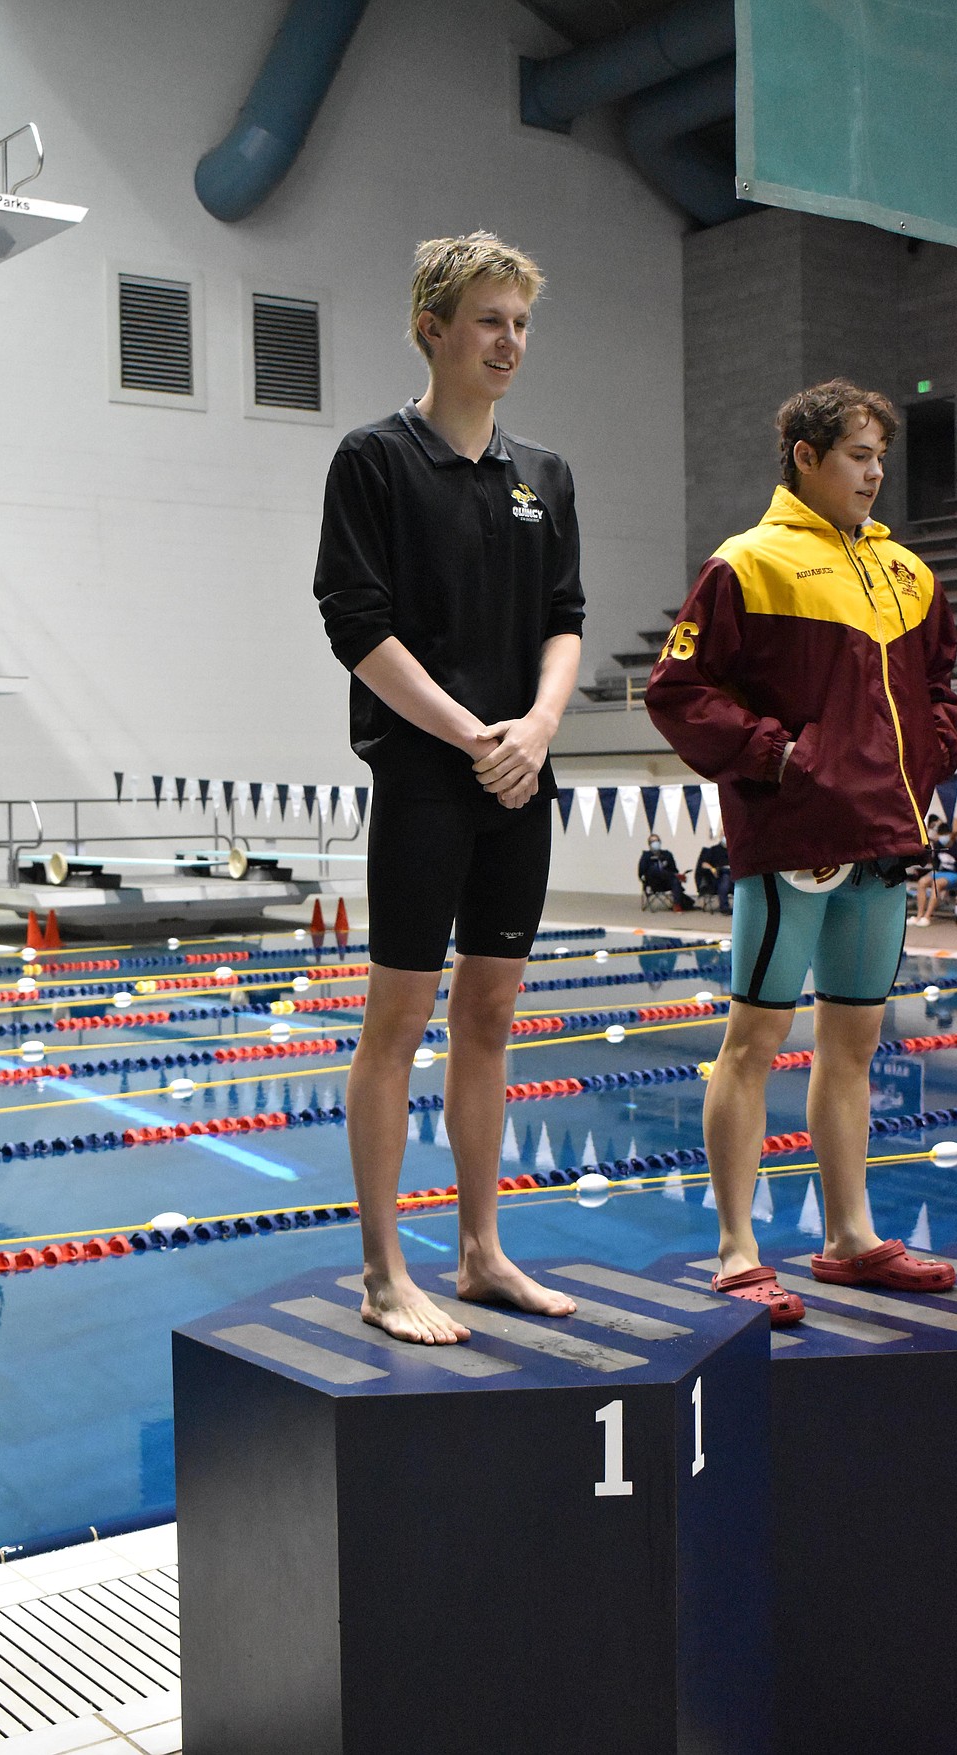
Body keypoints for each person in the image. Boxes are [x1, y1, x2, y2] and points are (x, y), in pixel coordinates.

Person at [645, 378, 957, 1324]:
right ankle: (739, 1247)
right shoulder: (746, 565)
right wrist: (779, 758)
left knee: (856, 1044)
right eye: (859, 457)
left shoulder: (909, 573)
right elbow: (678, 689)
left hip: (881, 842)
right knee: (752, 1041)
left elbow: (941, 686)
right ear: (807, 458)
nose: (875, 475)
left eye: (881, 459)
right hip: (792, 842)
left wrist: (936, 750)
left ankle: (849, 1236)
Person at [313, 231, 584, 1345]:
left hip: (522, 773)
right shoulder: (374, 461)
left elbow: (566, 620)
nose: (509, 341)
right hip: (429, 773)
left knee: (492, 1014)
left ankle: (481, 1254)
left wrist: (538, 727)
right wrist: (478, 733)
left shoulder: (545, 476)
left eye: (521, 322)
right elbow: (356, 626)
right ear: (432, 328)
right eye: (488, 319)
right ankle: (384, 1272)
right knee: (400, 1018)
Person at [912, 819, 957, 927]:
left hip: (954, 874)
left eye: (945, 834)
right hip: (940, 872)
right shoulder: (938, 845)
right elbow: (935, 862)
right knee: (922, 882)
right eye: (941, 834)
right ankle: (919, 915)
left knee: (936, 884)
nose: (943, 837)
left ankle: (927, 916)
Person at [638, 833, 691, 909]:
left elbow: (674, 869)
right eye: (653, 841)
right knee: (653, 869)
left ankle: (677, 905)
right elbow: (641, 873)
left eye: (657, 841)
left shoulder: (667, 854)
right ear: (649, 844)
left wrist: (674, 874)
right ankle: (675, 876)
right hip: (654, 883)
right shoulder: (646, 856)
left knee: (675, 880)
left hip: (666, 883)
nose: (655, 843)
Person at [695, 835, 733, 914]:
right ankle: (724, 907)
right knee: (725, 876)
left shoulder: (733, 851)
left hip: (733, 877)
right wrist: (712, 869)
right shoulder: (713, 850)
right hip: (717, 878)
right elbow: (704, 864)